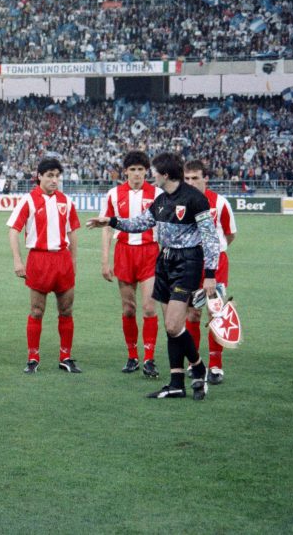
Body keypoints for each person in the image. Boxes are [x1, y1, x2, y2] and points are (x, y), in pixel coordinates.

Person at [87, 152, 219, 401]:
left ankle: (199, 366)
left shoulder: (195, 199)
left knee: (172, 325)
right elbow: (139, 223)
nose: (151, 176)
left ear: (165, 174)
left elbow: (211, 239)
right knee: (173, 328)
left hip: (187, 263)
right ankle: (177, 382)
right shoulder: (160, 201)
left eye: (154, 172)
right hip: (164, 262)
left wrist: (210, 275)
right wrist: (111, 221)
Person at [7, 157, 82, 374]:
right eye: (50, 175)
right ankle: (33, 358)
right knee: (37, 311)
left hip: (62, 259)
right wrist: (17, 260)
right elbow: (13, 231)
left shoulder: (66, 202)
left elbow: (72, 232)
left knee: (66, 310)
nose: (54, 180)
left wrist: (74, 260)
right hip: (39, 259)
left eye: (57, 176)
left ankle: (65, 357)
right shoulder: (28, 200)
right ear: (39, 176)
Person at [100, 151, 163, 377]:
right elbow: (107, 226)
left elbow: (165, 225)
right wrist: (105, 259)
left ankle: (149, 358)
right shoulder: (114, 194)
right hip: (124, 253)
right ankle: (132, 356)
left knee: (148, 308)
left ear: (146, 171)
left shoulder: (157, 194)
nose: (136, 174)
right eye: (132, 169)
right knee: (128, 309)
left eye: (140, 170)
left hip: (149, 253)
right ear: (125, 171)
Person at [183, 159, 237, 385]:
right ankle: (196, 364)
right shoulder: (180, 202)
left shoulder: (220, 203)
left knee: (215, 313)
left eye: (195, 177)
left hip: (215, 264)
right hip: (189, 262)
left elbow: (229, 234)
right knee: (192, 314)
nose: (191, 182)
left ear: (206, 178)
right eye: (186, 178)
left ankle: (216, 365)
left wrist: (214, 257)